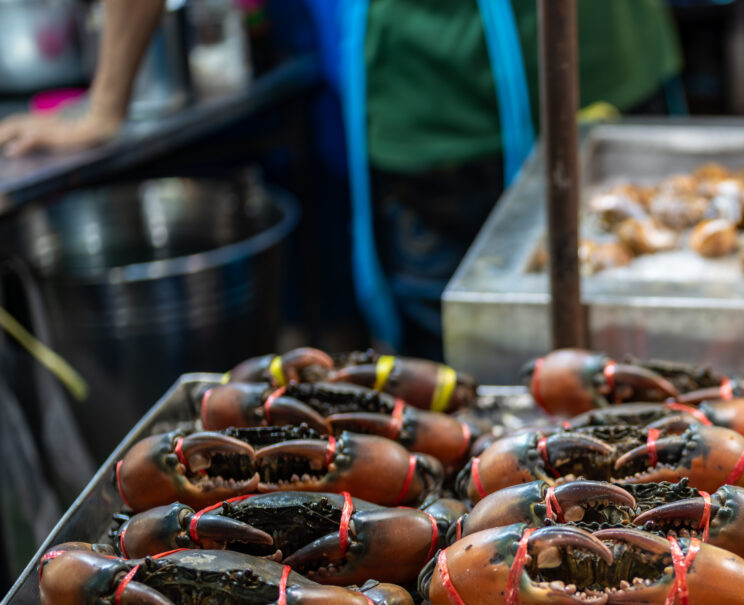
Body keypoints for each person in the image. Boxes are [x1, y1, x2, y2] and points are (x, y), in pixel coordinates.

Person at [0, 0, 683, 361]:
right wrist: (106, 101)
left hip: (599, 83)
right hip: (445, 108)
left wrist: (108, 102)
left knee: (654, 343)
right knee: (475, 384)